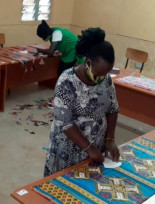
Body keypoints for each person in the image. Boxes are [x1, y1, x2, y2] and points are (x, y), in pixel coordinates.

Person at [43, 27, 120, 176]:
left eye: (105, 74)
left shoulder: (106, 80)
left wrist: (110, 138)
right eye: (98, 74)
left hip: (96, 147)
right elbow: (65, 123)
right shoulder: (67, 81)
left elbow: (113, 108)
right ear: (88, 63)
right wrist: (89, 148)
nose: (101, 79)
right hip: (69, 150)